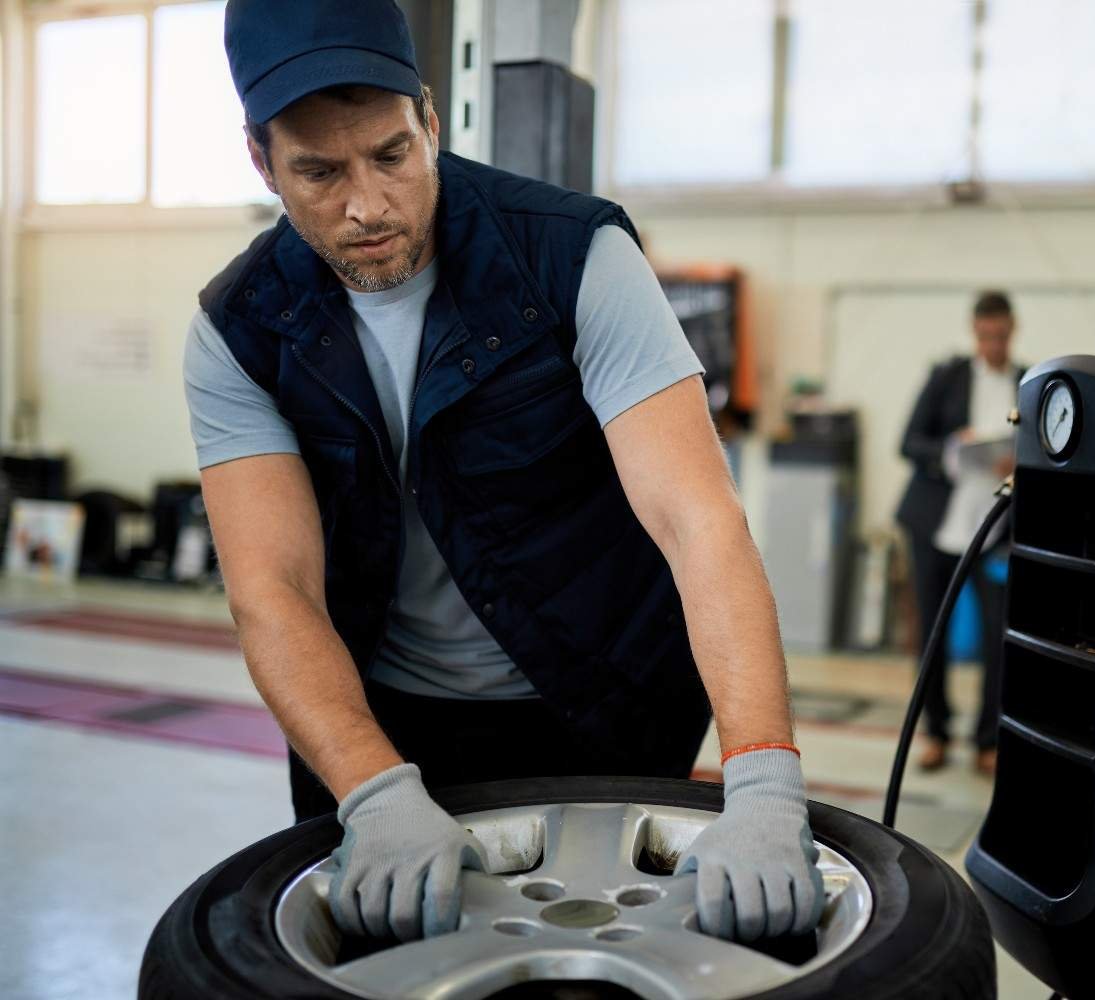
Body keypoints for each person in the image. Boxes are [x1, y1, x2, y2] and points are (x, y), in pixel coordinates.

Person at [183, 0, 820, 946]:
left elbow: (699, 521)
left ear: (431, 123)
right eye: (319, 171)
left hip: (599, 701)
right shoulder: (236, 330)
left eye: (393, 155)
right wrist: (370, 789)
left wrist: (763, 777)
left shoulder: (577, 259)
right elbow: (273, 593)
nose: (367, 205)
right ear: (261, 160)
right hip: (378, 721)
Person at [894, 291, 1025, 775]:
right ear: (975, 331)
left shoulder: (1027, 381)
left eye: (1002, 334)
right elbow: (908, 443)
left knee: (998, 636)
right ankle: (937, 732)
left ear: (1014, 329)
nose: (994, 342)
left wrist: (1020, 459)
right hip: (936, 523)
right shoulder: (946, 377)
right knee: (933, 633)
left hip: (995, 530)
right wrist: (954, 448)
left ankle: (988, 739)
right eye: (986, 334)